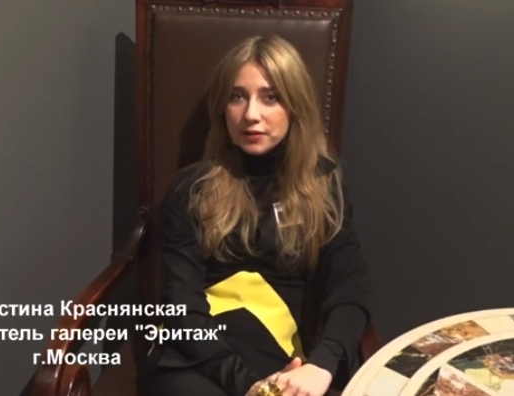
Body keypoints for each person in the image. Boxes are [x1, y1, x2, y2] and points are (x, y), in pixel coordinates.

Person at [140, 35, 370, 396]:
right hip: (198, 357)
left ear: (295, 106)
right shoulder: (191, 188)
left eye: (270, 97)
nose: (250, 114)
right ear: (222, 109)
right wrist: (248, 384)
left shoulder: (324, 186)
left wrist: (323, 365)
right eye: (237, 97)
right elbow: (181, 307)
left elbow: (349, 289)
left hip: (283, 358)